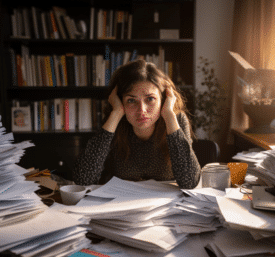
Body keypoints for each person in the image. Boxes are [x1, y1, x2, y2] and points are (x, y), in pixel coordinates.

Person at [73, 60, 201, 189]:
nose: (142, 111)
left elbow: (190, 182)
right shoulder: (115, 121)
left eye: (150, 99)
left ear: (163, 99)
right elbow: (83, 181)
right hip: (122, 202)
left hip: (168, 206)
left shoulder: (174, 120)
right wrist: (116, 113)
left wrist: (169, 115)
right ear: (120, 101)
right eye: (131, 100)